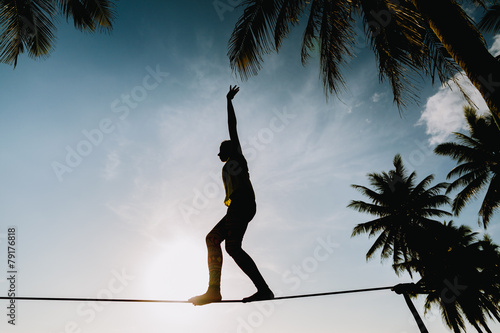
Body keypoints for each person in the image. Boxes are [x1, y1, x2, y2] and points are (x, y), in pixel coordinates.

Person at [189, 85, 274, 305]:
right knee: (213, 239)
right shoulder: (227, 166)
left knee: (232, 247)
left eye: (221, 150)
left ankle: (263, 289)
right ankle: (214, 290)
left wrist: (229, 101)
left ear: (229, 149)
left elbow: (232, 127)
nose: (219, 154)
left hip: (243, 204)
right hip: (235, 207)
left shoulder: (237, 156)